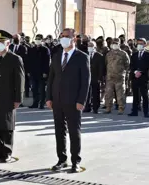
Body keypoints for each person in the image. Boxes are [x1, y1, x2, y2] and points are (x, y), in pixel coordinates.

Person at [46, 28, 90, 173]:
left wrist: (81, 101)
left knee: (74, 132)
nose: (64, 39)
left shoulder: (82, 56)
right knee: (59, 131)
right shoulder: (57, 55)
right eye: (62, 36)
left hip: (73, 101)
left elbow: (85, 81)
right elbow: (51, 78)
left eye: (67, 36)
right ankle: (61, 159)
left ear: (74, 39)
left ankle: (75, 161)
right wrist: (48, 97)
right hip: (57, 100)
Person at [0, 29, 25, 162]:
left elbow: (20, 80)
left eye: (2, 42)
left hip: (8, 97)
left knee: (7, 126)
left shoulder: (15, 59)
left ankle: (7, 152)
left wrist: (18, 99)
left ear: (8, 43)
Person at [104, 38, 130, 114]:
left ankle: (121, 108)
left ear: (119, 44)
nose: (114, 45)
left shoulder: (123, 54)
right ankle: (108, 108)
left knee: (120, 94)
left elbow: (127, 65)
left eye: (116, 43)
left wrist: (123, 73)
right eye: (113, 43)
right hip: (110, 77)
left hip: (119, 77)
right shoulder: (108, 54)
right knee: (108, 93)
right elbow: (106, 63)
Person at [128, 38, 149, 118]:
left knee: (144, 95)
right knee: (135, 95)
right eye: (138, 43)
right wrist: (135, 72)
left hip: (144, 77)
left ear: (145, 45)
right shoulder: (134, 54)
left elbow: (147, 65)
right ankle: (134, 111)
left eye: (141, 43)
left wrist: (140, 72)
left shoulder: (148, 54)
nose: (139, 45)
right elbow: (131, 65)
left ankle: (146, 112)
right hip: (135, 77)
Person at [28, 34, 50, 109]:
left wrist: (45, 72)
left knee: (41, 89)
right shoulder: (32, 49)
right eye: (36, 39)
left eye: (39, 39)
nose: (37, 40)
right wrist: (29, 71)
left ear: (42, 40)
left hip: (42, 73)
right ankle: (35, 102)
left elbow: (47, 62)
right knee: (34, 89)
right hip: (34, 72)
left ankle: (42, 103)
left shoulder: (45, 49)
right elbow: (29, 61)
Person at [84, 41, 104, 114]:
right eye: (88, 45)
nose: (89, 47)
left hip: (95, 77)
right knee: (87, 93)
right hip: (86, 77)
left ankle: (96, 108)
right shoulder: (85, 55)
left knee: (95, 93)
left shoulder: (99, 56)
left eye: (91, 46)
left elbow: (101, 68)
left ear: (94, 47)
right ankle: (87, 107)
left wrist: (100, 78)